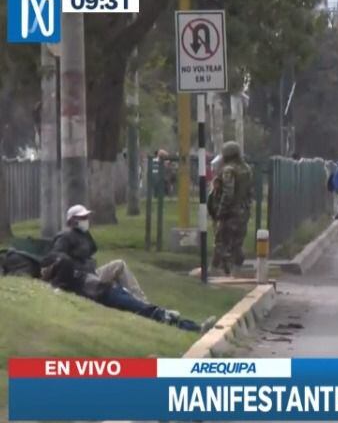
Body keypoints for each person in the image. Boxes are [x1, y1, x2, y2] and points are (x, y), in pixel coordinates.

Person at [41, 253, 215, 333]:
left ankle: (194, 326)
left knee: (149, 311)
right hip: (108, 295)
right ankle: (195, 327)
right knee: (149, 312)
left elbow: (63, 263)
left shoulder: (65, 271)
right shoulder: (64, 279)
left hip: (110, 292)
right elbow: (61, 271)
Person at [50, 205, 148, 302]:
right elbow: (57, 256)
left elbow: (92, 250)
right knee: (110, 289)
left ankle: (142, 301)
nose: (86, 220)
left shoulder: (84, 235)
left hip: (93, 273)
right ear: (72, 220)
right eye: (82, 218)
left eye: (86, 217)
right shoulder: (64, 237)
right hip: (82, 280)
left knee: (119, 265)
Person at [210, 141, 253, 275]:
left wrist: (220, 210)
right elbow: (249, 192)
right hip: (243, 210)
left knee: (221, 241)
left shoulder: (229, 170)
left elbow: (228, 193)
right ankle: (236, 268)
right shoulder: (246, 169)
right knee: (237, 241)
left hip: (230, 212)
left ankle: (218, 269)